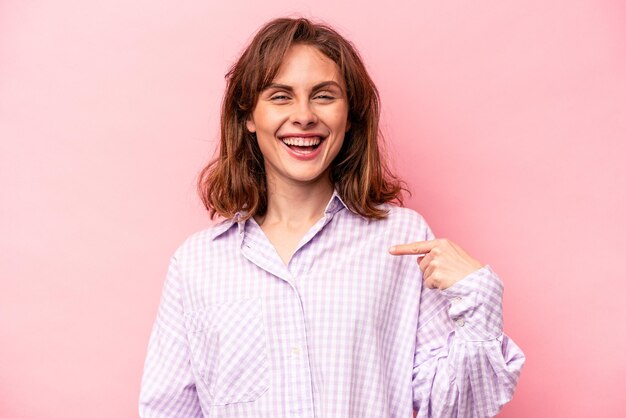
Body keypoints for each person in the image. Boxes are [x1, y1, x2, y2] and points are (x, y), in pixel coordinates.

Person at [139, 17, 525, 418]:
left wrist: (478, 296)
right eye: (281, 96)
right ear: (249, 117)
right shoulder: (196, 264)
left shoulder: (402, 240)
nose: (304, 116)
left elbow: (455, 409)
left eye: (323, 96)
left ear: (350, 115)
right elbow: (169, 410)